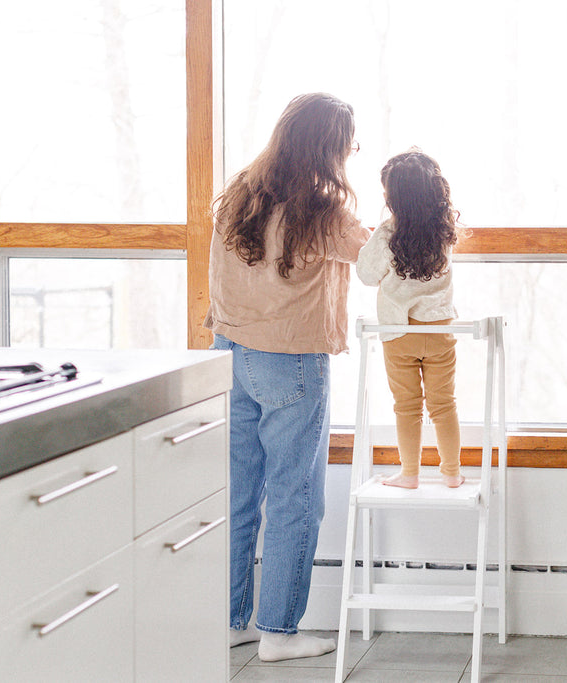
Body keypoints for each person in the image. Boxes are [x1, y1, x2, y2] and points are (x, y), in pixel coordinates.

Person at [205, 92, 370, 662]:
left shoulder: (238, 196)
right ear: (328, 147)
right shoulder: (323, 212)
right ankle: (278, 630)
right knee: (295, 499)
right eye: (349, 140)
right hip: (290, 363)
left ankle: (228, 622)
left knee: (238, 497)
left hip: (226, 355)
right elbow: (378, 262)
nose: (355, 150)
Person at [356, 148, 464, 489]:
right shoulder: (443, 233)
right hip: (438, 331)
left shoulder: (387, 235)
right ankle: (451, 473)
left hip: (399, 332)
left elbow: (366, 274)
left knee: (406, 406)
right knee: (443, 404)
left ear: (392, 198)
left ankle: (410, 473)